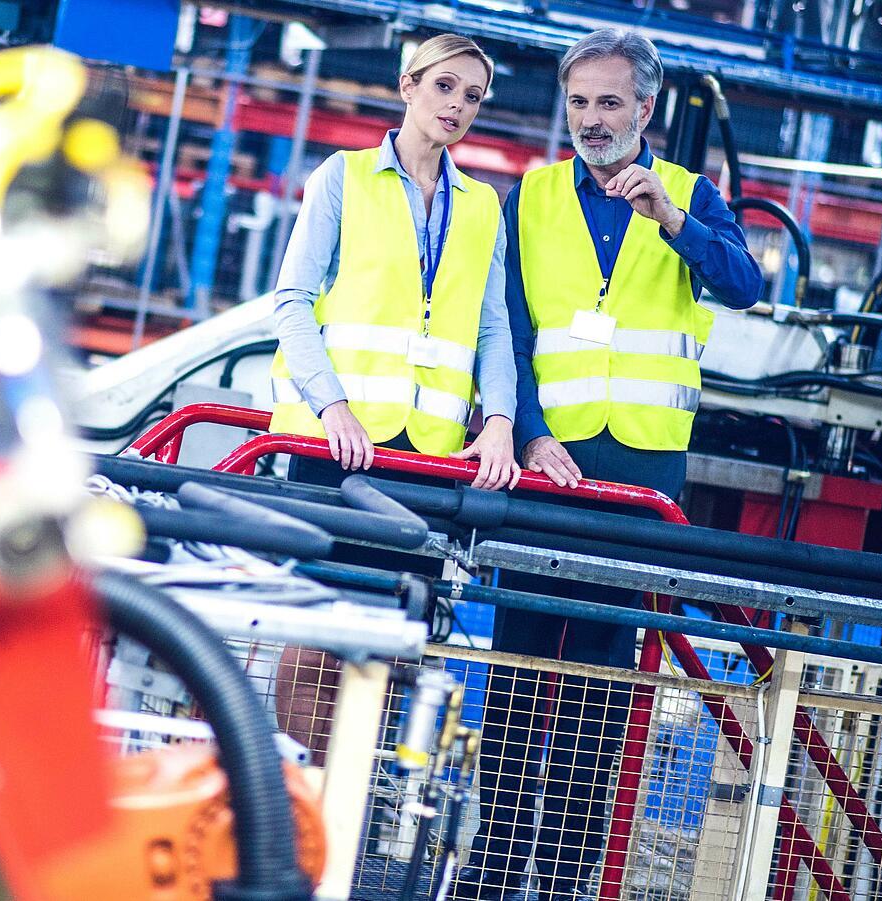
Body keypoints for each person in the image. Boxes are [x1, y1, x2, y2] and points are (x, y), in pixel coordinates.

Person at [458, 28, 762, 901]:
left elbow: (745, 285)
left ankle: (562, 873)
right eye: (579, 102)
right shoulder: (533, 195)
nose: (591, 119)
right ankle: (493, 859)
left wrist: (670, 220)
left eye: (609, 103)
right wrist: (528, 433)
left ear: (646, 109)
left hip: (640, 477)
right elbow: (507, 327)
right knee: (519, 665)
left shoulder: (695, 196)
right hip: (548, 463)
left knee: (601, 671)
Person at [267, 33, 521, 762]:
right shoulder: (342, 178)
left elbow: (494, 327)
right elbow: (290, 300)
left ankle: (348, 813)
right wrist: (332, 405)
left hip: (428, 463)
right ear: (407, 85)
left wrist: (498, 420)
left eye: (472, 96)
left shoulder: (482, 208)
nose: (458, 106)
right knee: (318, 641)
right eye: (445, 87)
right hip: (340, 451)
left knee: (393, 652)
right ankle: (297, 814)